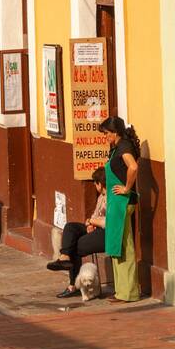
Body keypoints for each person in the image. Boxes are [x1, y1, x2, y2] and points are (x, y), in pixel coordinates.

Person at [99, 116, 142, 303]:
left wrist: (126, 187)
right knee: (118, 246)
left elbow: (133, 167)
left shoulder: (124, 147)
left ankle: (129, 293)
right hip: (116, 204)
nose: (105, 137)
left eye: (107, 134)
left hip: (123, 202)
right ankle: (121, 291)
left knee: (125, 247)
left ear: (115, 133)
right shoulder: (116, 147)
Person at [47, 168, 109, 298]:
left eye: (95, 183)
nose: (95, 186)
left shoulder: (111, 198)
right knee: (70, 227)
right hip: (94, 228)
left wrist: (92, 221)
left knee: (74, 246)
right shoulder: (101, 197)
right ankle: (64, 256)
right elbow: (95, 215)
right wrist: (90, 224)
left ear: (100, 184)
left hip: (105, 233)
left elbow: (107, 222)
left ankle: (73, 285)